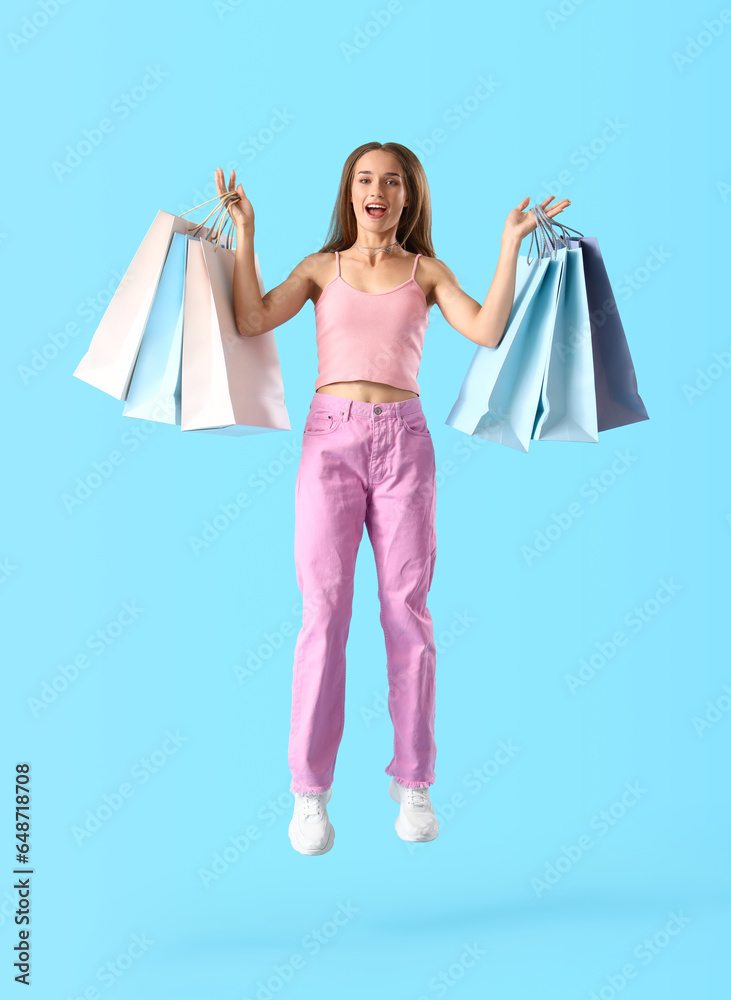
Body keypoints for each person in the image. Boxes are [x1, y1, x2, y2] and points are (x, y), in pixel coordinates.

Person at [214, 143, 570, 856]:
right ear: (348, 191)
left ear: (410, 197)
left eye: (393, 182)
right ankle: (309, 793)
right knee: (323, 614)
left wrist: (508, 246)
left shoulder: (425, 272)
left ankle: (414, 780)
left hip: (405, 444)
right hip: (330, 445)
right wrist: (246, 232)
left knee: (407, 612)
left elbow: (487, 329)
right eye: (365, 179)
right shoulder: (320, 269)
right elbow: (251, 320)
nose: (377, 190)